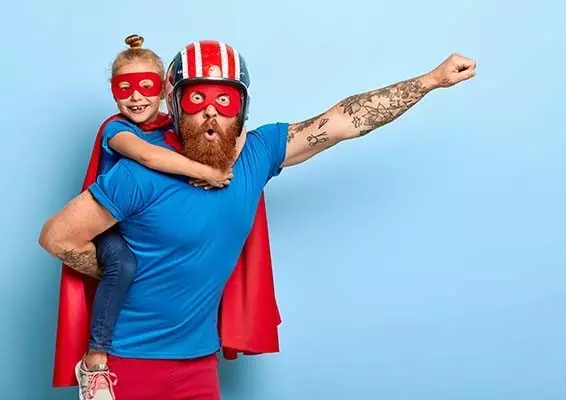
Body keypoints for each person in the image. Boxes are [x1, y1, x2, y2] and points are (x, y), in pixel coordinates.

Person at [39, 39, 476, 400]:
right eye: (197, 100)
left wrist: (430, 80)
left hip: (199, 365)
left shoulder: (256, 155)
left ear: (242, 108)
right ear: (174, 104)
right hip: (126, 367)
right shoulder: (138, 174)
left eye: (224, 101)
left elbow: (344, 120)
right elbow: (57, 237)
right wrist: (129, 273)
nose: (211, 113)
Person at [65, 35, 234, 400]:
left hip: (155, 232)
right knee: (124, 265)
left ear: (165, 90)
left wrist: (227, 154)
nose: (136, 97)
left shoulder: (174, 126)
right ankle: (95, 360)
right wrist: (205, 172)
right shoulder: (116, 130)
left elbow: (225, 133)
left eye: (146, 86)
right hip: (113, 227)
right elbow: (147, 157)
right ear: (113, 92)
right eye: (124, 88)